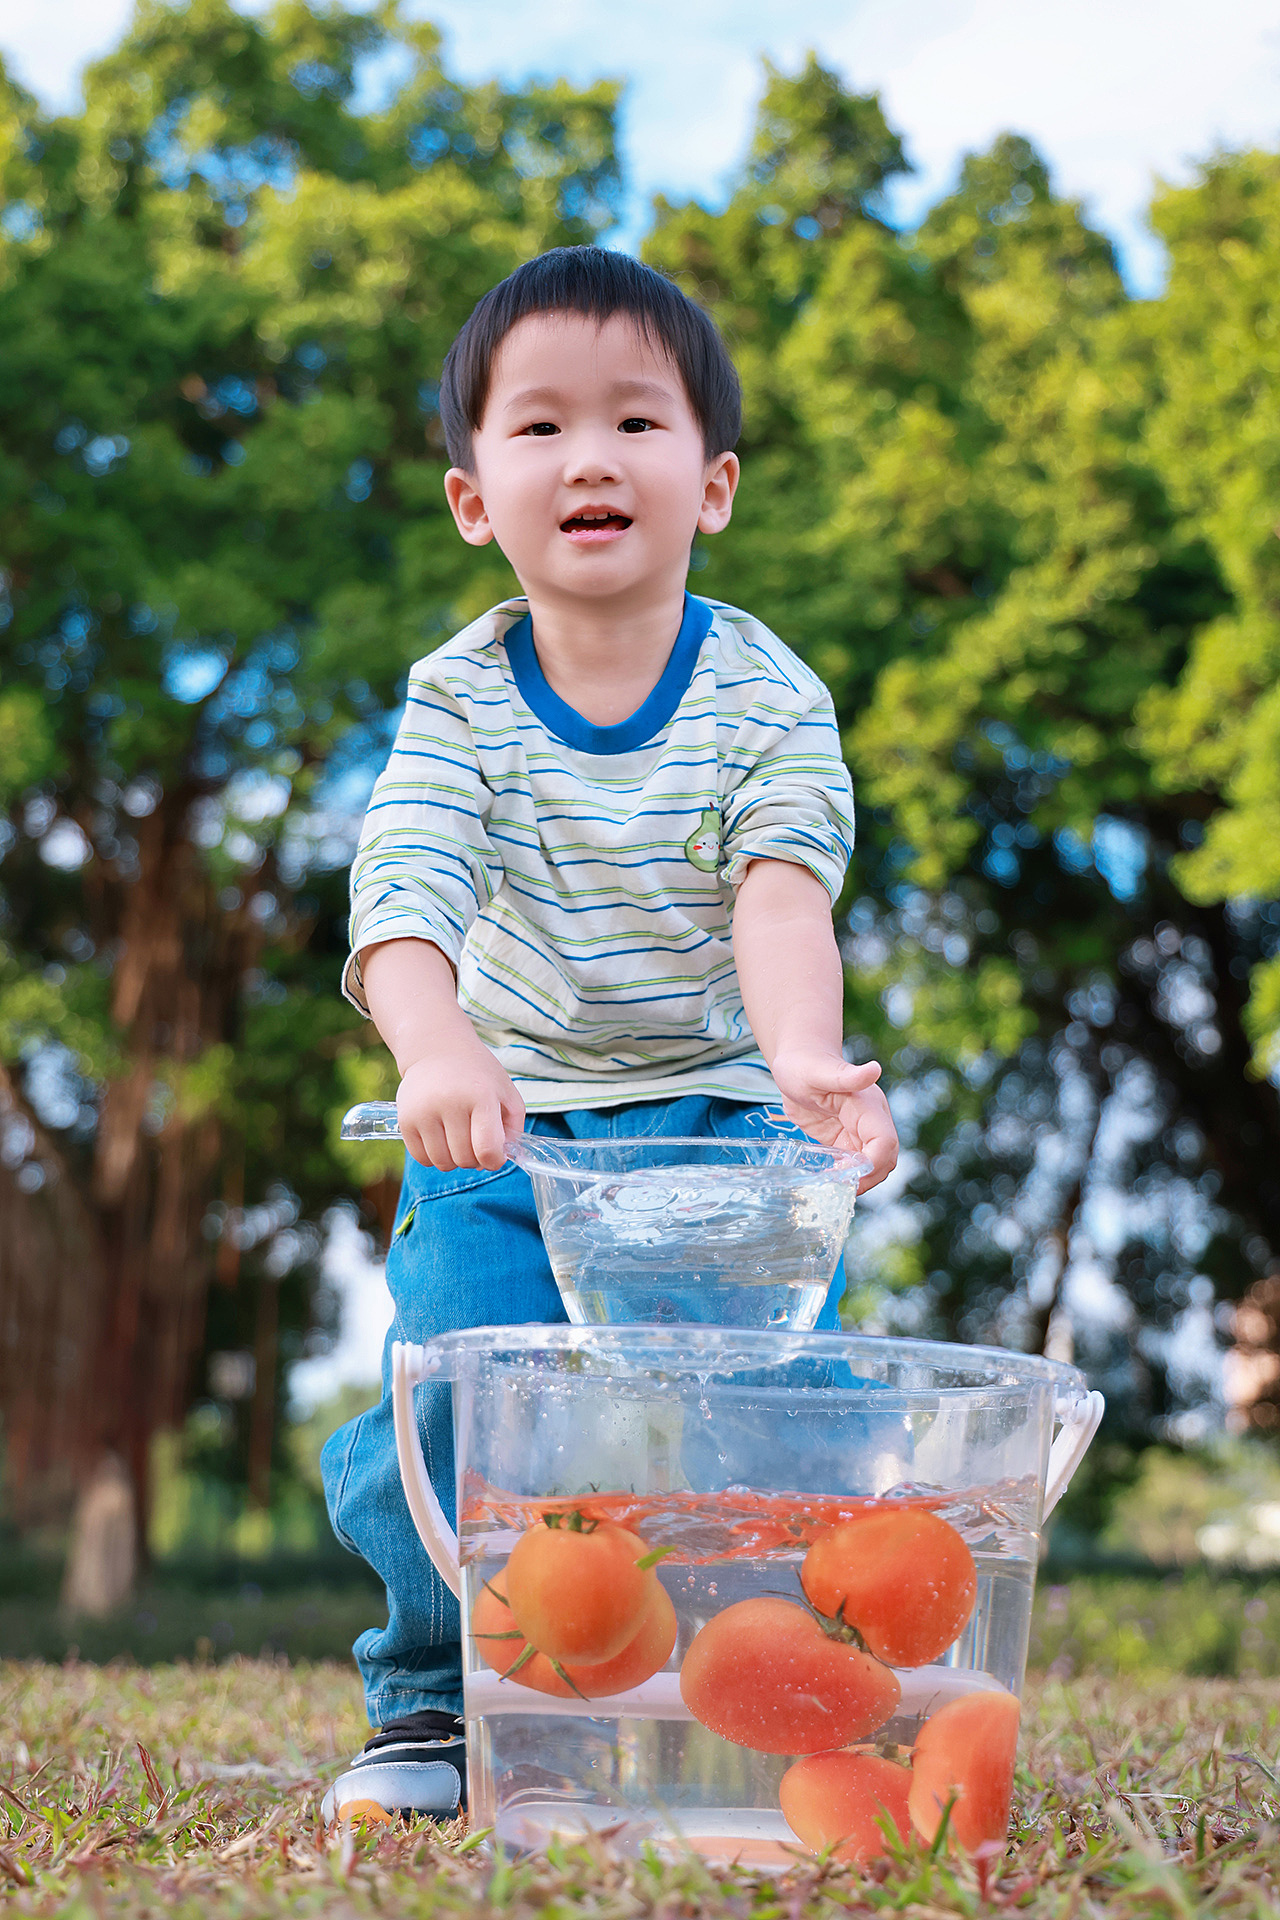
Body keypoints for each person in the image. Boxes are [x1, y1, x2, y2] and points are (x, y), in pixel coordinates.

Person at [319, 246, 899, 1824]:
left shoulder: (768, 694)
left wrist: (802, 1061)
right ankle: (435, 1709)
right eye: (541, 427)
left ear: (709, 486)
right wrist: (431, 1048)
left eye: (637, 424)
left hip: (725, 1120)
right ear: (472, 498)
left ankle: (763, 1693)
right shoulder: (460, 700)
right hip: (506, 1127)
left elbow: (782, 896)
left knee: (770, 1417)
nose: (591, 456)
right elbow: (405, 899)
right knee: (446, 1406)